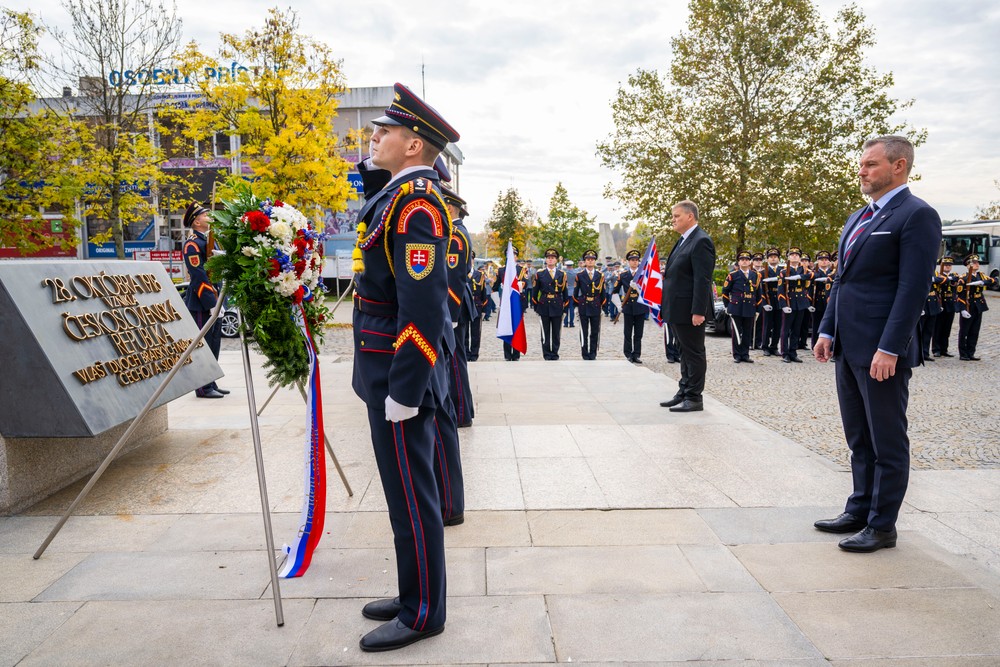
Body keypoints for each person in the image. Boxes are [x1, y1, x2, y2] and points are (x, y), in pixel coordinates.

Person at [349, 82, 458, 650]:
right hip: (382, 370)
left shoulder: (417, 206)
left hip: (398, 374)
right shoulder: (396, 196)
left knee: (414, 494)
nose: (374, 137)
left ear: (414, 145)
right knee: (399, 492)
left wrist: (406, 388)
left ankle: (424, 612)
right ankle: (412, 588)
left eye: (384, 131)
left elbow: (422, 305)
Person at [813, 135, 941, 553]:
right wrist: (827, 330)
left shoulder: (916, 215)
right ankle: (860, 507)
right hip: (848, 346)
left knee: (886, 438)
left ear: (899, 165)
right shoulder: (858, 218)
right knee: (859, 437)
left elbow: (912, 288)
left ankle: (883, 524)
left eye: (870, 164)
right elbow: (842, 281)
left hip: (881, 351)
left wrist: (891, 347)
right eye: (862, 164)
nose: (862, 171)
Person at [659, 200, 716, 412]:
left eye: (676, 216)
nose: (673, 220)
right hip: (677, 309)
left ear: (690, 216)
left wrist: (699, 311)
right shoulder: (684, 239)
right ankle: (684, 391)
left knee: (694, 353)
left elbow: (702, 280)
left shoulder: (701, 241)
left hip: (690, 310)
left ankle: (694, 397)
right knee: (684, 352)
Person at [181, 201, 228, 399]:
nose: (209, 216)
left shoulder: (210, 242)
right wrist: (212, 303)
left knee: (214, 344)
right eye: (205, 214)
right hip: (202, 302)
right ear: (196, 221)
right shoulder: (192, 244)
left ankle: (211, 381)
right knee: (204, 345)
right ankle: (202, 387)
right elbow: (199, 276)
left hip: (215, 298)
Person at [441, 186, 475, 428]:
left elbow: (455, 276)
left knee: (454, 362)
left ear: (450, 208)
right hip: (458, 304)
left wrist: (450, 313)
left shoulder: (455, 235)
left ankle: (461, 413)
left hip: (456, 305)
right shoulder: (457, 232)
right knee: (455, 360)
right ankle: (463, 409)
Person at [956, 254, 998, 360]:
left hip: (979, 306)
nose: (977, 264)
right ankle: (963, 353)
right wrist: (962, 309)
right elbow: (960, 296)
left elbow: (994, 280)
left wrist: (982, 282)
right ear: (968, 265)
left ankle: (971, 352)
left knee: (975, 331)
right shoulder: (963, 278)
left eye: (977, 263)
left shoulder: (981, 276)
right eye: (974, 263)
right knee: (965, 331)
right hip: (968, 306)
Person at [721, 251, 760, 363]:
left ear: (750, 262)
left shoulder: (755, 275)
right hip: (736, 307)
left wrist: (758, 309)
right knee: (737, 332)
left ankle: (745, 354)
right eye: (742, 259)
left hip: (749, 307)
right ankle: (737, 354)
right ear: (738, 262)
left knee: (747, 332)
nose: (744, 261)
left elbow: (758, 293)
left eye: (747, 259)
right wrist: (727, 306)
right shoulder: (733, 275)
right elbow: (725, 292)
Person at [532, 247, 568, 360]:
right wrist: (536, 306)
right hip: (544, 305)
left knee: (556, 332)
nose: (551, 260)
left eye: (553, 258)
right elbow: (535, 292)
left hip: (557, 304)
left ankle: (555, 353)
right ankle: (547, 354)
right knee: (545, 332)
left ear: (556, 260)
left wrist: (565, 308)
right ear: (546, 260)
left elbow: (565, 293)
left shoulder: (562, 274)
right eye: (549, 258)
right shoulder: (540, 274)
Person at [777, 247, 812, 363]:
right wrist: (783, 305)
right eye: (792, 254)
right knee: (786, 329)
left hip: (801, 302)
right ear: (788, 257)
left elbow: (813, 276)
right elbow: (781, 289)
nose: (795, 256)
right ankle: (785, 353)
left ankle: (793, 352)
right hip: (789, 301)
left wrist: (800, 277)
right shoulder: (783, 271)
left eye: (797, 255)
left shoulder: (804, 270)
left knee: (796, 329)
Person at [614, 249, 649, 363]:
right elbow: (615, 291)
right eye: (632, 260)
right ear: (628, 262)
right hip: (628, 307)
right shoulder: (623, 275)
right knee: (627, 333)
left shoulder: (643, 275)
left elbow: (647, 291)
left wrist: (638, 288)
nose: (634, 262)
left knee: (638, 333)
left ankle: (637, 354)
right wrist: (618, 305)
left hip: (640, 307)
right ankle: (628, 354)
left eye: (636, 260)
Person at [494, 248, 528, 360]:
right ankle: (507, 355)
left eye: (514, 255)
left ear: (516, 257)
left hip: (517, 301)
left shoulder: (521, 269)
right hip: (505, 303)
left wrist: (517, 285)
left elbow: (525, 284)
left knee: (517, 326)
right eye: (509, 254)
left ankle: (516, 354)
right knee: (507, 326)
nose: (512, 257)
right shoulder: (501, 270)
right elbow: (495, 286)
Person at [574, 250, 606, 359]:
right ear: (585, 262)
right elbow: (575, 292)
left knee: (594, 331)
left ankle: (593, 353)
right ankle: (584, 353)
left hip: (596, 305)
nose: (590, 261)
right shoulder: (580, 275)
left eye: (592, 259)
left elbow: (603, 293)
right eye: (588, 259)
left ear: (595, 261)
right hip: (584, 304)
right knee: (584, 331)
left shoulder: (600, 275)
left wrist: (602, 306)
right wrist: (576, 306)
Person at [932, 257, 960, 357]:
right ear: (941, 266)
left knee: (947, 328)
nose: (948, 267)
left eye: (949, 265)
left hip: (950, 304)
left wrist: (949, 278)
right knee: (938, 327)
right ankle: (936, 349)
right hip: (941, 303)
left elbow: (956, 280)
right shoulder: (937, 275)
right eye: (946, 265)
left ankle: (944, 349)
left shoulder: (954, 275)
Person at [759, 248, 783, 356]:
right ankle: (765, 346)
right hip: (768, 298)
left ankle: (774, 346)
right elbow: (760, 289)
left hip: (779, 299)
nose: (773, 258)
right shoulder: (763, 272)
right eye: (771, 257)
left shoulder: (782, 271)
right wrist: (764, 303)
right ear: (767, 259)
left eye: (775, 257)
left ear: (778, 259)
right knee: (767, 325)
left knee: (778, 325)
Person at [810, 251, 833, 349]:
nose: (824, 262)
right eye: (821, 260)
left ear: (829, 262)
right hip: (818, 301)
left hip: (829, 301)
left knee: (829, 323)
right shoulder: (814, 273)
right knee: (816, 324)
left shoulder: (832, 273)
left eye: (826, 260)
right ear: (817, 262)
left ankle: (830, 346)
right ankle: (815, 345)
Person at [468, 253, 487, 361]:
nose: (469, 261)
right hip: (465, 305)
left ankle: (474, 354)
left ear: (473, 261)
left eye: (471, 259)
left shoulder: (479, 274)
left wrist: (484, 309)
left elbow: (483, 293)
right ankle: (466, 353)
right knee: (464, 332)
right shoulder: (461, 273)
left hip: (476, 305)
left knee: (475, 332)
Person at [750, 252, 766, 349]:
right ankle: (750, 342)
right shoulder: (750, 272)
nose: (758, 262)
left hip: (764, 299)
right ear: (753, 261)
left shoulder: (765, 272)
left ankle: (758, 342)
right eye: (756, 260)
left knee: (760, 323)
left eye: (760, 260)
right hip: (752, 299)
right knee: (751, 323)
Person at [563, 260, 577, 327]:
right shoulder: (575, 273)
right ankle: (571, 323)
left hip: (565, 291)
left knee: (565, 307)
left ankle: (565, 323)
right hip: (573, 291)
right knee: (572, 308)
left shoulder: (564, 273)